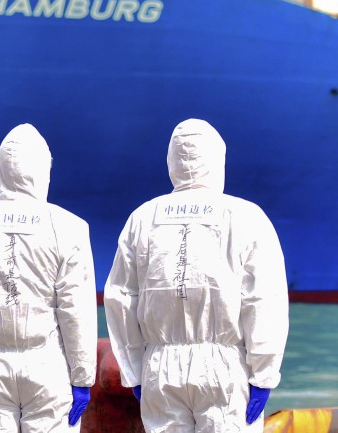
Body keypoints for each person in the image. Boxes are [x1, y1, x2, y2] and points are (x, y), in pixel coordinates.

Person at [103, 119, 289, 432]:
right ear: (218, 160)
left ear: (171, 161)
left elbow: (120, 299)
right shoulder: (247, 216)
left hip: (160, 369)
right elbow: (263, 300)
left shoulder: (142, 217)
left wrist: (134, 370)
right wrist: (263, 373)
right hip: (226, 370)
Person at [0, 123, 97, 432]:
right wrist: (82, 377)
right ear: (44, 171)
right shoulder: (69, 226)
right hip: (48, 365)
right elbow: (75, 311)